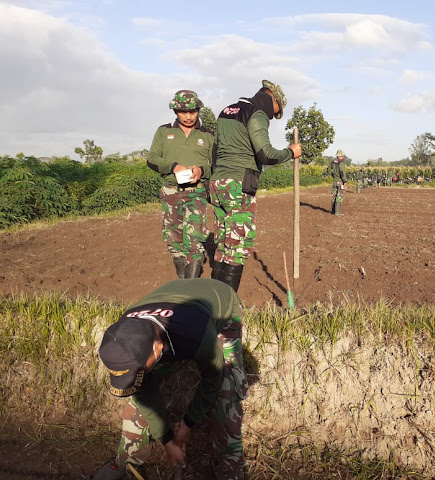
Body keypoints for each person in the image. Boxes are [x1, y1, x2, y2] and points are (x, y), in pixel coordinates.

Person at [93, 278, 248, 480]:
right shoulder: (125, 335)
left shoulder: (196, 334)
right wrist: (167, 441)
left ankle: (230, 467)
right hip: (168, 307)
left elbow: (212, 379)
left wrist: (187, 424)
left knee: (227, 392)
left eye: (140, 367)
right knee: (137, 393)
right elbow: (143, 393)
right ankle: (128, 458)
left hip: (219, 305)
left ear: (158, 348)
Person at [209, 80, 302, 291]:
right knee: (237, 245)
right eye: (275, 111)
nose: (272, 116)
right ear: (272, 98)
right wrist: (290, 152)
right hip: (238, 185)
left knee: (224, 242)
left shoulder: (226, 111)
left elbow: (214, 151)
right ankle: (228, 305)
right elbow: (266, 154)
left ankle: (216, 300)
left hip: (218, 183)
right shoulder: (256, 113)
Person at [147, 90, 216, 279]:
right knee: (174, 239)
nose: (188, 116)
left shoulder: (208, 135)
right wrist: (172, 166)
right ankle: (182, 282)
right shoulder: (164, 131)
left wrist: (202, 170)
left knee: (194, 239)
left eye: (193, 112)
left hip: (197, 192)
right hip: (171, 192)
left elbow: (216, 164)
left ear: (198, 110)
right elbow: (152, 159)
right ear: (175, 111)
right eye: (183, 112)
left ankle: (191, 288)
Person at [329, 149, 347, 215]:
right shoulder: (341, 163)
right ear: (341, 156)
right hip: (340, 181)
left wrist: (333, 176)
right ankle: (338, 212)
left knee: (334, 196)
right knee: (339, 196)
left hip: (334, 181)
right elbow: (342, 173)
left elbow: (328, 170)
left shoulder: (332, 162)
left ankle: (333, 211)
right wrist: (345, 181)